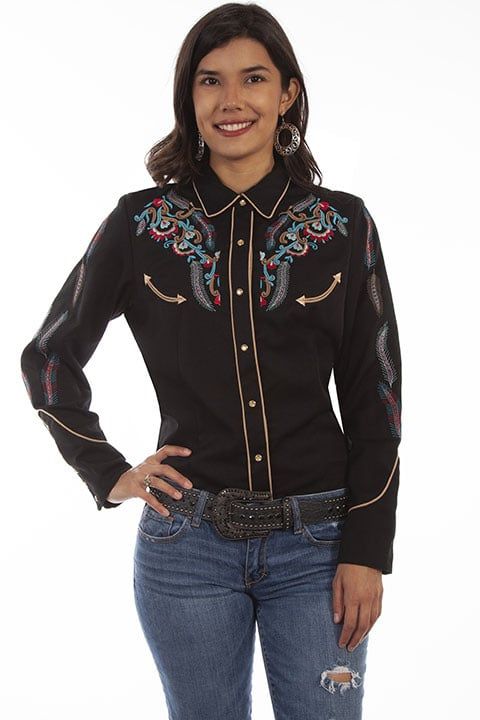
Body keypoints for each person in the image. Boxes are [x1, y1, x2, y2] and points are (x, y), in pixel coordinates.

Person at [20, 3, 402, 718]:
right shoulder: (140, 225)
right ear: (188, 98)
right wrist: (108, 472)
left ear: (287, 94)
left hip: (320, 545)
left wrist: (368, 550)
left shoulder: (344, 226)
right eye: (210, 80)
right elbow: (49, 357)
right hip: (186, 547)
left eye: (254, 78)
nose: (232, 100)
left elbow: (376, 400)